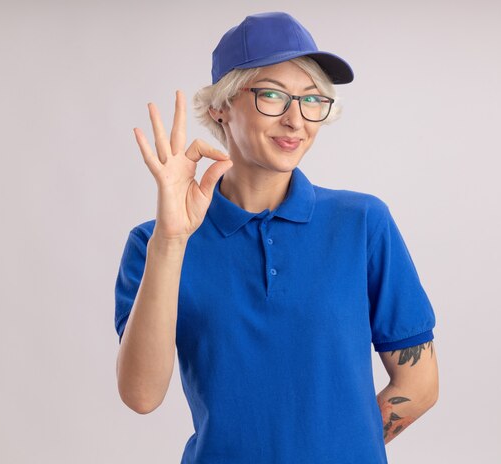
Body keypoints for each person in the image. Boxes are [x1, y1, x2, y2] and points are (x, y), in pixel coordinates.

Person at [115, 11, 438, 464]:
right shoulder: (155, 243)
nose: (296, 120)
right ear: (219, 107)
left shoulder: (362, 223)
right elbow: (141, 396)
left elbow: (418, 385)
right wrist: (170, 241)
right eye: (272, 96)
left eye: (311, 100)